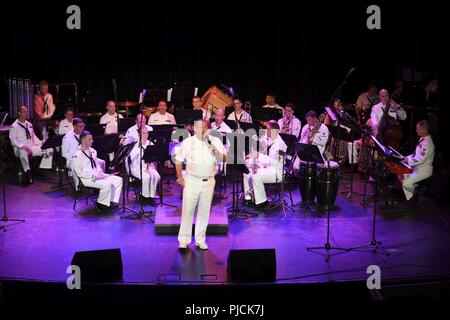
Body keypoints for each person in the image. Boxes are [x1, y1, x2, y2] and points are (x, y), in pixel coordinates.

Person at [175, 119, 227, 250]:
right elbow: (178, 160)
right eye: (199, 127)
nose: (202, 130)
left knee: (204, 211)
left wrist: (216, 151)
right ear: (194, 128)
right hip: (192, 181)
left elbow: (225, 158)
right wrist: (180, 177)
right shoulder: (188, 142)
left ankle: (200, 239)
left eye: (204, 127)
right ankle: (183, 239)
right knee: (188, 211)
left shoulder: (215, 141)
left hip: (209, 181)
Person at [72, 131, 123, 213]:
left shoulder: (93, 151)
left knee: (118, 180)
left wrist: (99, 171)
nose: (92, 141)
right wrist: (93, 176)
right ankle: (101, 205)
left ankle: (111, 201)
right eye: (89, 139)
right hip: (85, 178)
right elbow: (78, 172)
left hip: (96, 175)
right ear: (83, 141)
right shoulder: (78, 154)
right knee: (106, 184)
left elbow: (97, 165)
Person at [243, 120, 287, 209]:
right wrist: (256, 162)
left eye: (268, 129)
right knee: (247, 169)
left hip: (276, 171)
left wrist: (259, 156)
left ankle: (262, 202)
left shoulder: (280, 144)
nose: (265, 131)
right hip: (267, 167)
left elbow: (275, 163)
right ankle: (248, 197)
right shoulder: (268, 139)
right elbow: (258, 150)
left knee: (256, 176)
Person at [9, 106, 53, 184]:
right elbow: (13, 140)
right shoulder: (14, 126)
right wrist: (22, 146)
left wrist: (40, 142)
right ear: (19, 113)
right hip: (20, 149)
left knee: (49, 148)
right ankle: (27, 173)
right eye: (24, 112)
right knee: (23, 151)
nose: (26, 113)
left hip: (31, 147)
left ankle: (43, 168)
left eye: (27, 112)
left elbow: (33, 137)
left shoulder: (29, 124)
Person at [401, 120, 435, 201]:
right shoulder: (422, 139)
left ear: (424, 130)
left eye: (418, 129)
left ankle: (415, 193)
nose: (416, 130)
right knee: (404, 174)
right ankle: (411, 199)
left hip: (424, 170)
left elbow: (421, 159)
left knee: (406, 183)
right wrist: (405, 158)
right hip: (417, 168)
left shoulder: (428, 143)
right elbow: (415, 155)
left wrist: (407, 160)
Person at [127, 127, 160, 202]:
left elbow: (152, 158)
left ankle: (151, 196)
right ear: (139, 134)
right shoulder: (135, 145)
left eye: (147, 133)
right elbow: (132, 159)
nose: (145, 135)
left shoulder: (150, 143)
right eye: (143, 133)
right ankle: (144, 196)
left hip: (148, 166)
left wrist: (150, 166)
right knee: (146, 177)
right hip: (136, 167)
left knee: (156, 176)